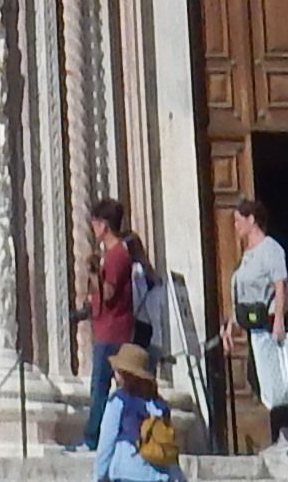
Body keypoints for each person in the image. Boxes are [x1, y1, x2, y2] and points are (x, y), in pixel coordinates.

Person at [227, 193, 288, 460]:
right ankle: (285, 431)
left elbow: (280, 284)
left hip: (272, 322)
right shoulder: (247, 255)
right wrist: (230, 325)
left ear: (251, 220)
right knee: (257, 377)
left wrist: (280, 319)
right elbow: (242, 292)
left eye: (238, 221)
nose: (235, 227)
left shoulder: (272, 249)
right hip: (254, 325)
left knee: (277, 378)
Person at [81, 197, 153, 446]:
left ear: (104, 225)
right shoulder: (116, 255)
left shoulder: (116, 256)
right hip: (111, 329)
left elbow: (109, 293)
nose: (92, 227)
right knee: (114, 388)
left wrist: (93, 274)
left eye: (95, 222)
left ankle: (93, 439)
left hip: (113, 333)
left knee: (100, 388)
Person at [89, 341, 176, 482]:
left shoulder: (119, 400)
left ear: (124, 374)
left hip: (127, 471)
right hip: (158, 475)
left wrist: (99, 475)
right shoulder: (160, 405)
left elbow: (107, 441)